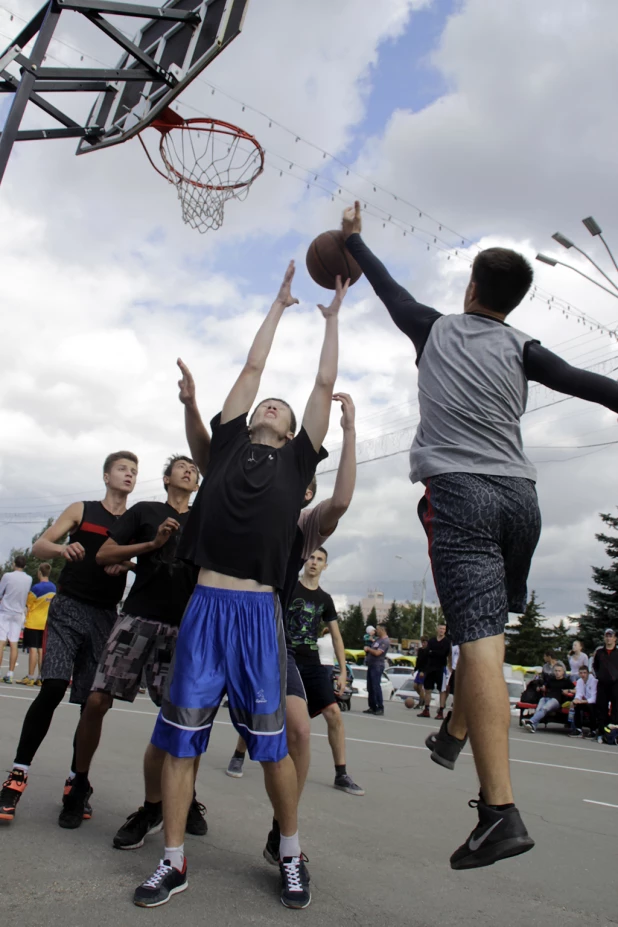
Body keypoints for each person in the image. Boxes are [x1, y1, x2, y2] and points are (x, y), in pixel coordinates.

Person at [341, 199, 618, 869]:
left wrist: (354, 241)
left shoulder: (432, 328)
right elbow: (596, 385)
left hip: (461, 497)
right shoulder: (525, 346)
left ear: (470, 286)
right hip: (522, 503)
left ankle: (499, 812)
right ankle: (456, 730)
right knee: (488, 633)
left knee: (482, 647)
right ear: (513, 302)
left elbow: (385, 286)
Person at [132, 263, 347, 911]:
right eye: (263, 404)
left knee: (272, 747)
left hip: (258, 613)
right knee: (180, 737)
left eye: (281, 408)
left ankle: (288, 850)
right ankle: (172, 860)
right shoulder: (225, 447)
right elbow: (252, 371)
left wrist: (332, 321)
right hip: (206, 605)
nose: (271, 403)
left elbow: (322, 381)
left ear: (292, 433)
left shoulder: (298, 460)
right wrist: (277, 307)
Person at [58, 455, 206, 839]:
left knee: (183, 718)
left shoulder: (205, 519)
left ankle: (179, 799)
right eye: (182, 467)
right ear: (166, 478)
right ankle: (79, 783)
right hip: (137, 616)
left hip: (182, 627)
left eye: (195, 469)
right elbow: (104, 554)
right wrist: (151, 545)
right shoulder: (145, 510)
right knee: (95, 701)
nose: (190, 471)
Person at [0, 452, 138, 824]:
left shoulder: (134, 521)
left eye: (134, 472)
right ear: (107, 475)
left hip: (106, 616)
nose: (129, 475)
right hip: (69, 608)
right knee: (53, 686)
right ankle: (16, 776)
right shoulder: (83, 509)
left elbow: (143, 561)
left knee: (92, 703)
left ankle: (77, 783)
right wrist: (62, 548)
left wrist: (126, 563)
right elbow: (39, 546)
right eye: (123, 469)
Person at [283, 548, 364, 795]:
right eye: (311, 558)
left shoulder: (325, 599)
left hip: (312, 663)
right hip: (286, 660)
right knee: (271, 712)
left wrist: (342, 672)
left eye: (319, 560)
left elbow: (337, 638)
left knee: (334, 713)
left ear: (325, 566)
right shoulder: (288, 589)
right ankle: (239, 754)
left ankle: (341, 774)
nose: (314, 563)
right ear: (304, 561)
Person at [16, 563, 55, 686]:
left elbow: (28, 603)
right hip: (45, 622)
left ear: (39, 572)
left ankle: (30, 676)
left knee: (32, 649)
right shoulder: (53, 588)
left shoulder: (36, 588)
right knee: (41, 650)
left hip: (33, 621)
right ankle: (41, 676)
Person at [0, 555, 32, 683]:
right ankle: (10, 673)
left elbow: (1, 591)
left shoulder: (8, 576)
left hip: (6, 611)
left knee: (1, 642)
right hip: (18, 612)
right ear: (24, 565)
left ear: (14, 564)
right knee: (14, 643)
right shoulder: (28, 579)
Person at [523, 664, 575, 733]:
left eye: (559, 671)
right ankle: (533, 726)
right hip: (546, 697)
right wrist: (542, 688)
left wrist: (568, 691)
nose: (557, 672)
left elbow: (576, 690)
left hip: (556, 700)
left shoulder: (566, 681)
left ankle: (531, 721)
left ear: (563, 672)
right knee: (539, 709)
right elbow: (544, 686)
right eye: (556, 671)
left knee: (545, 708)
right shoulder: (551, 679)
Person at [417, 624, 450, 720]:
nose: (442, 630)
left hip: (440, 668)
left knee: (442, 690)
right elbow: (427, 652)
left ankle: (441, 711)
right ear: (437, 629)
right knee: (428, 689)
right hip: (430, 668)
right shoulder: (431, 640)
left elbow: (443, 653)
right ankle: (426, 709)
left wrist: (433, 652)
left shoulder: (446, 641)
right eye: (440, 628)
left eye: (443, 629)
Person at [592, 629, 618, 737]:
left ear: (615, 638)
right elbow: (595, 666)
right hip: (602, 684)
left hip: (616, 684)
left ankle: (613, 731)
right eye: (606, 636)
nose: (608, 638)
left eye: (610, 636)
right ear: (604, 638)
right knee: (601, 707)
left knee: (616, 707)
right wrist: (599, 675)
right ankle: (601, 730)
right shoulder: (599, 653)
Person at [364, 625, 390, 715]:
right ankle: (372, 706)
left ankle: (380, 707)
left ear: (382, 630)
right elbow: (373, 647)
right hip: (371, 664)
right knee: (370, 686)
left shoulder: (385, 641)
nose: (376, 631)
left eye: (377, 629)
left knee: (376, 686)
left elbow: (378, 652)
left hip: (377, 665)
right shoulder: (378, 640)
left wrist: (368, 649)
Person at [568, 665, 597, 737]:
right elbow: (579, 694)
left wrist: (582, 701)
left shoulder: (594, 681)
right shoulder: (579, 681)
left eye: (584, 673)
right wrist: (575, 700)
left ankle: (593, 730)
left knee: (591, 707)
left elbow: (594, 698)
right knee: (576, 705)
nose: (583, 675)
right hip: (586, 702)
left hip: (594, 703)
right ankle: (578, 729)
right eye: (581, 673)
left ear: (588, 673)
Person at [405, 636, 428, 709]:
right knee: (415, 686)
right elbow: (418, 661)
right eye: (422, 642)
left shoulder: (428, 651)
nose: (423, 644)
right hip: (420, 670)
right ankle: (423, 698)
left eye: (425, 642)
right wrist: (415, 670)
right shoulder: (420, 650)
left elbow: (428, 663)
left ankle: (421, 703)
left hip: (425, 671)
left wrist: (423, 671)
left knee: (420, 686)